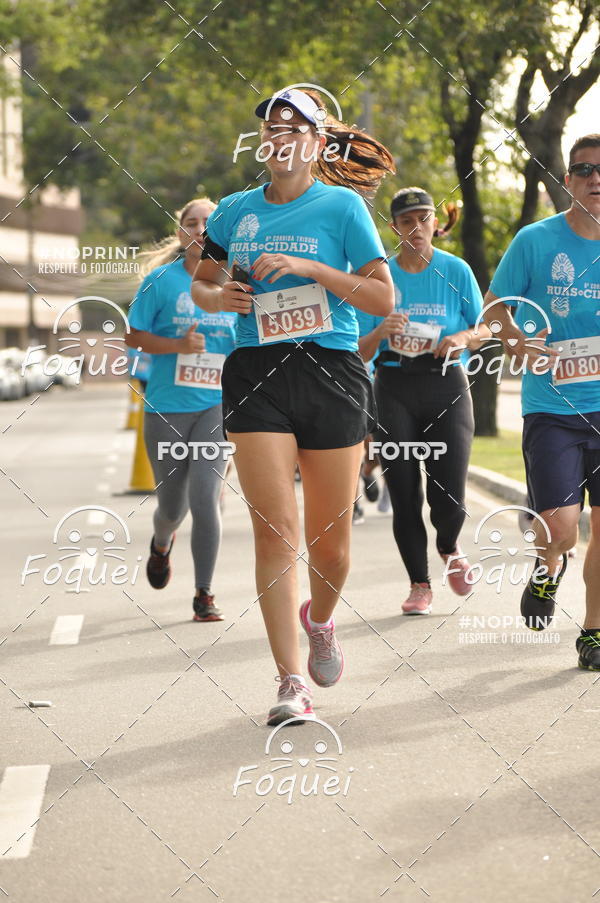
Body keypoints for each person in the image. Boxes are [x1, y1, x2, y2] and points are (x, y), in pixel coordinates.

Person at [191, 87, 395, 724]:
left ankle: (321, 621)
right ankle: (289, 681)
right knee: (275, 532)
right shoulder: (233, 211)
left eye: (293, 127)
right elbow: (202, 282)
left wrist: (314, 271)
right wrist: (219, 298)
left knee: (329, 547)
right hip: (256, 372)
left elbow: (381, 299)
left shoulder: (343, 207)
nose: (279, 137)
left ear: (317, 142)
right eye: (270, 128)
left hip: (330, 371)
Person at [483, 134, 600, 669]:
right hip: (552, 408)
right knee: (559, 526)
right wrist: (514, 341)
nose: (596, 179)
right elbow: (494, 307)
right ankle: (547, 567)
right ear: (568, 180)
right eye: (585, 170)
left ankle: (593, 631)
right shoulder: (535, 240)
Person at [358, 187, 487, 614]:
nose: (416, 227)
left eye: (423, 218)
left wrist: (463, 336)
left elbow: (487, 326)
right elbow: (357, 351)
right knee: (403, 489)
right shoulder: (380, 277)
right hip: (393, 386)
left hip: (447, 384)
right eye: (407, 221)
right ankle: (419, 584)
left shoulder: (456, 269)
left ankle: (449, 545)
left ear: (435, 222)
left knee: (449, 490)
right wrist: (380, 331)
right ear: (394, 228)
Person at [125, 198, 237, 622]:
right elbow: (133, 336)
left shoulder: (236, 281)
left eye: (209, 222)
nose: (200, 229)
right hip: (167, 407)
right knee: (172, 507)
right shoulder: (161, 281)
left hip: (216, 406)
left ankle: (204, 594)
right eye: (192, 223)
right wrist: (177, 345)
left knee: (205, 498)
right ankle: (161, 543)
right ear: (180, 233)